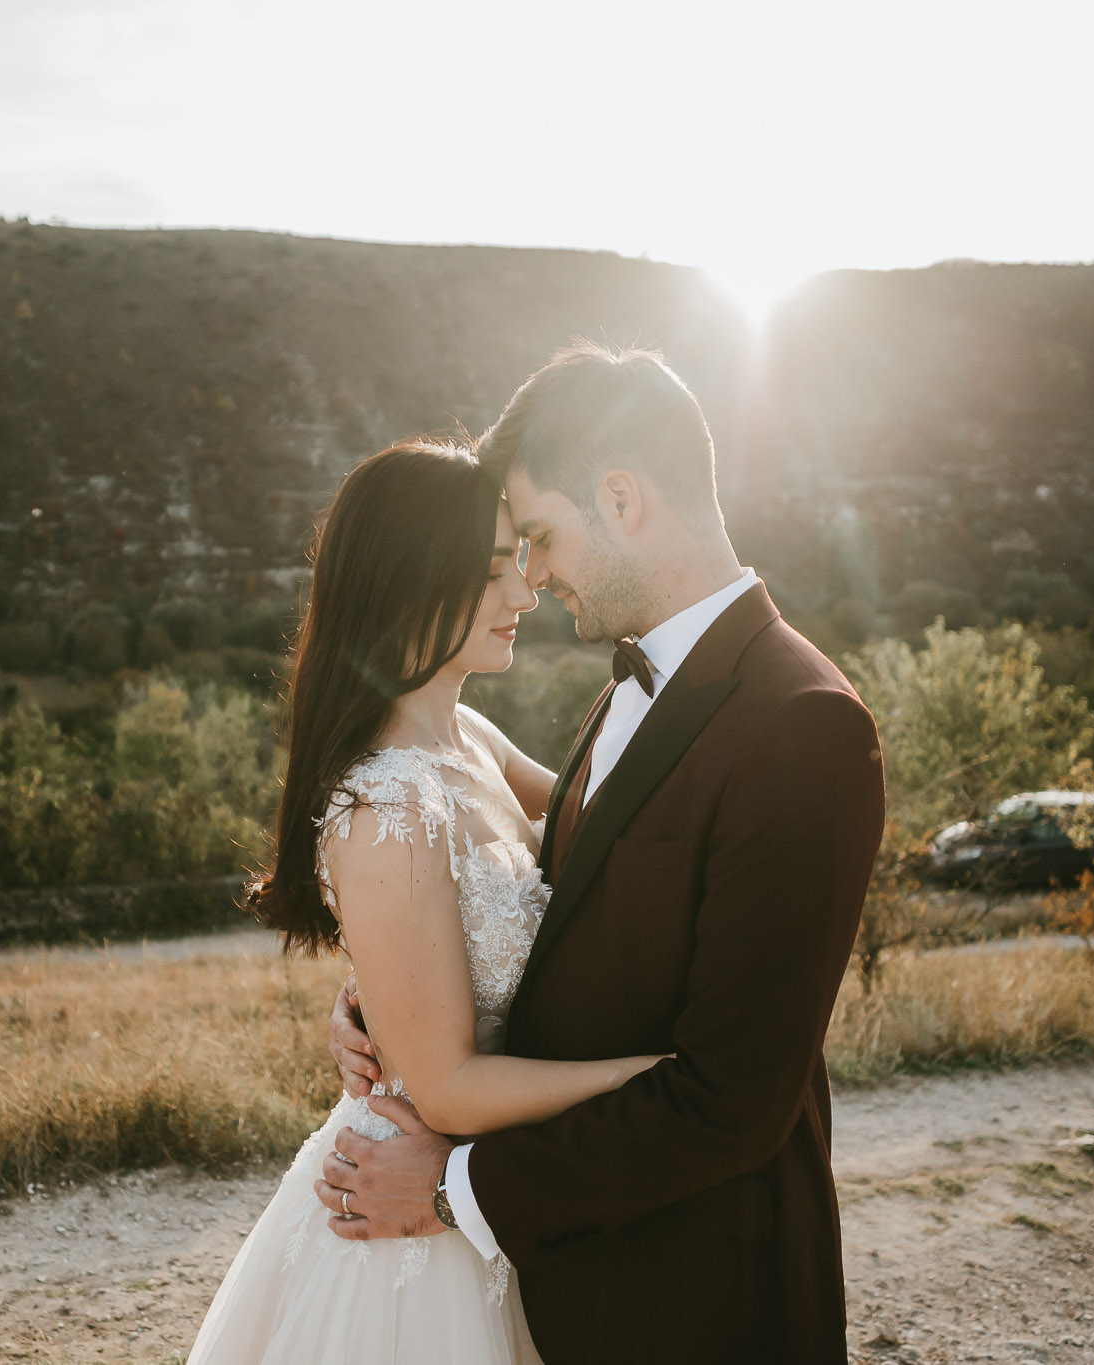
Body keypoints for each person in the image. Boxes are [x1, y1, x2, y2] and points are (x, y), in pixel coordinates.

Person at [320, 344, 886, 1363]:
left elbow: (732, 1100)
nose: (531, 576)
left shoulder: (801, 723)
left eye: (537, 537)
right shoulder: (626, 690)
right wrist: (392, 1001)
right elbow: (558, 897)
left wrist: (450, 1188)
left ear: (620, 500)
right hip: (573, 1279)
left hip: (695, 1298)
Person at [187, 438, 670, 1365]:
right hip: (411, 1204)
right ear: (407, 582)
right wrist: (646, 1076)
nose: (524, 590)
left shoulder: (471, 736)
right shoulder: (385, 805)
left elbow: (610, 840)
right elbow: (445, 1084)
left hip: (492, 1183)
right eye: (490, 572)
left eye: (518, 559)